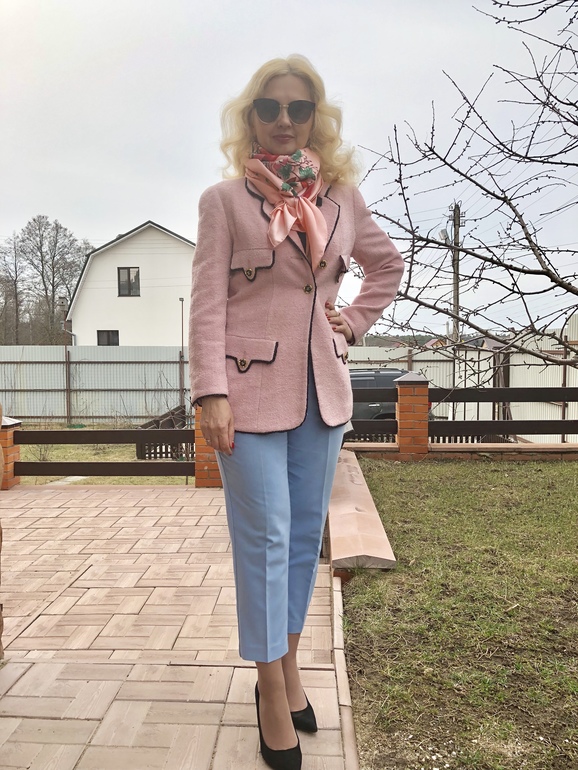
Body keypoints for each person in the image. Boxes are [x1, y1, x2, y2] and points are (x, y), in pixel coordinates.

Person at [189, 54, 404, 770]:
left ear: (316, 118)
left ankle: (285, 669)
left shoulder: (342, 200)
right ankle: (271, 690)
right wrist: (210, 392)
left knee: (304, 537)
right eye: (270, 107)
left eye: (299, 107)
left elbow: (387, 265)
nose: (284, 120)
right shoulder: (223, 202)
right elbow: (207, 305)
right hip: (245, 394)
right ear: (250, 118)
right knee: (266, 540)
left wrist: (355, 321)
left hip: (322, 394)